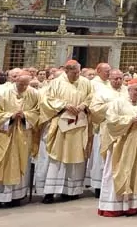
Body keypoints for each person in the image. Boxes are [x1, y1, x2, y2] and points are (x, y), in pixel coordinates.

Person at [97, 78, 137, 217]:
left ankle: (134, 205)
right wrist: (130, 120)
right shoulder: (118, 103)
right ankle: (113, 206)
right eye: (136, 90)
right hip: (121, 146)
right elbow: (111, 120)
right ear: (129, 90)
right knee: (116, 172)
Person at [0, 73, 39, 209]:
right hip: (3, 135)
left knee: (19, 163)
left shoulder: (33, 94)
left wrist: (25, 116)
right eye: (21, 84)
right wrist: (11, 116)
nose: (24, 87)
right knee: (0, 164)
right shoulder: (2, 93)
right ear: (15, 81)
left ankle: (15, 197)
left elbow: (37, 113)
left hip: (22, 135)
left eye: (26, 84)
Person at [40, 59, 94, 203]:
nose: (77, 75)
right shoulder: (56, 83)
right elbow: (47, 100)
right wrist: (64, 105)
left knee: (76, 157)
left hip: (79, 124)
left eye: (78, 72)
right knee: (57, 157)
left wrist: (83, 105)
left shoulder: (85, 82)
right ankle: (50, 192)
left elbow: (91, 97)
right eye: (74, 73)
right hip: (62, 124)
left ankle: (71, 191)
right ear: (66, 71)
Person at [88, 69, 127, 195]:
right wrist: (112, 105)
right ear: (109, 79)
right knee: (103, 157)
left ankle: (119, 183)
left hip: (124, 129)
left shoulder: (127, 91)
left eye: (120, 78)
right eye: (115, 78)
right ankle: (99, 186)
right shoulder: (102, 93)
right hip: (106, 128)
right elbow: (94, 109)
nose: (118, 81)